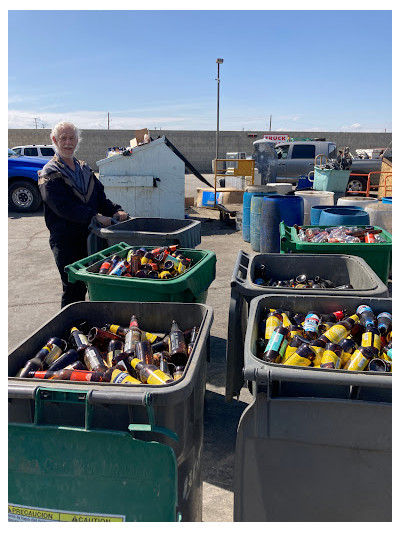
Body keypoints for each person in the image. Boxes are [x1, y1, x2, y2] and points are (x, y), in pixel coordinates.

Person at [38, 121, 128, 308]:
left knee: (94, 284)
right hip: (66, 241)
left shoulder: (84, 169)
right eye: (63, 138)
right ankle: (71, 332)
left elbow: (100, 198)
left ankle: (89, 326)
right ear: (55, 140)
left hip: (91, 238)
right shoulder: (50, 173)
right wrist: (93, 217)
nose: (68, 142)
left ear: (78, 140)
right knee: (73, 288)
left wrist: (116, 210)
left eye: (72, 138)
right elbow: (63, 207)